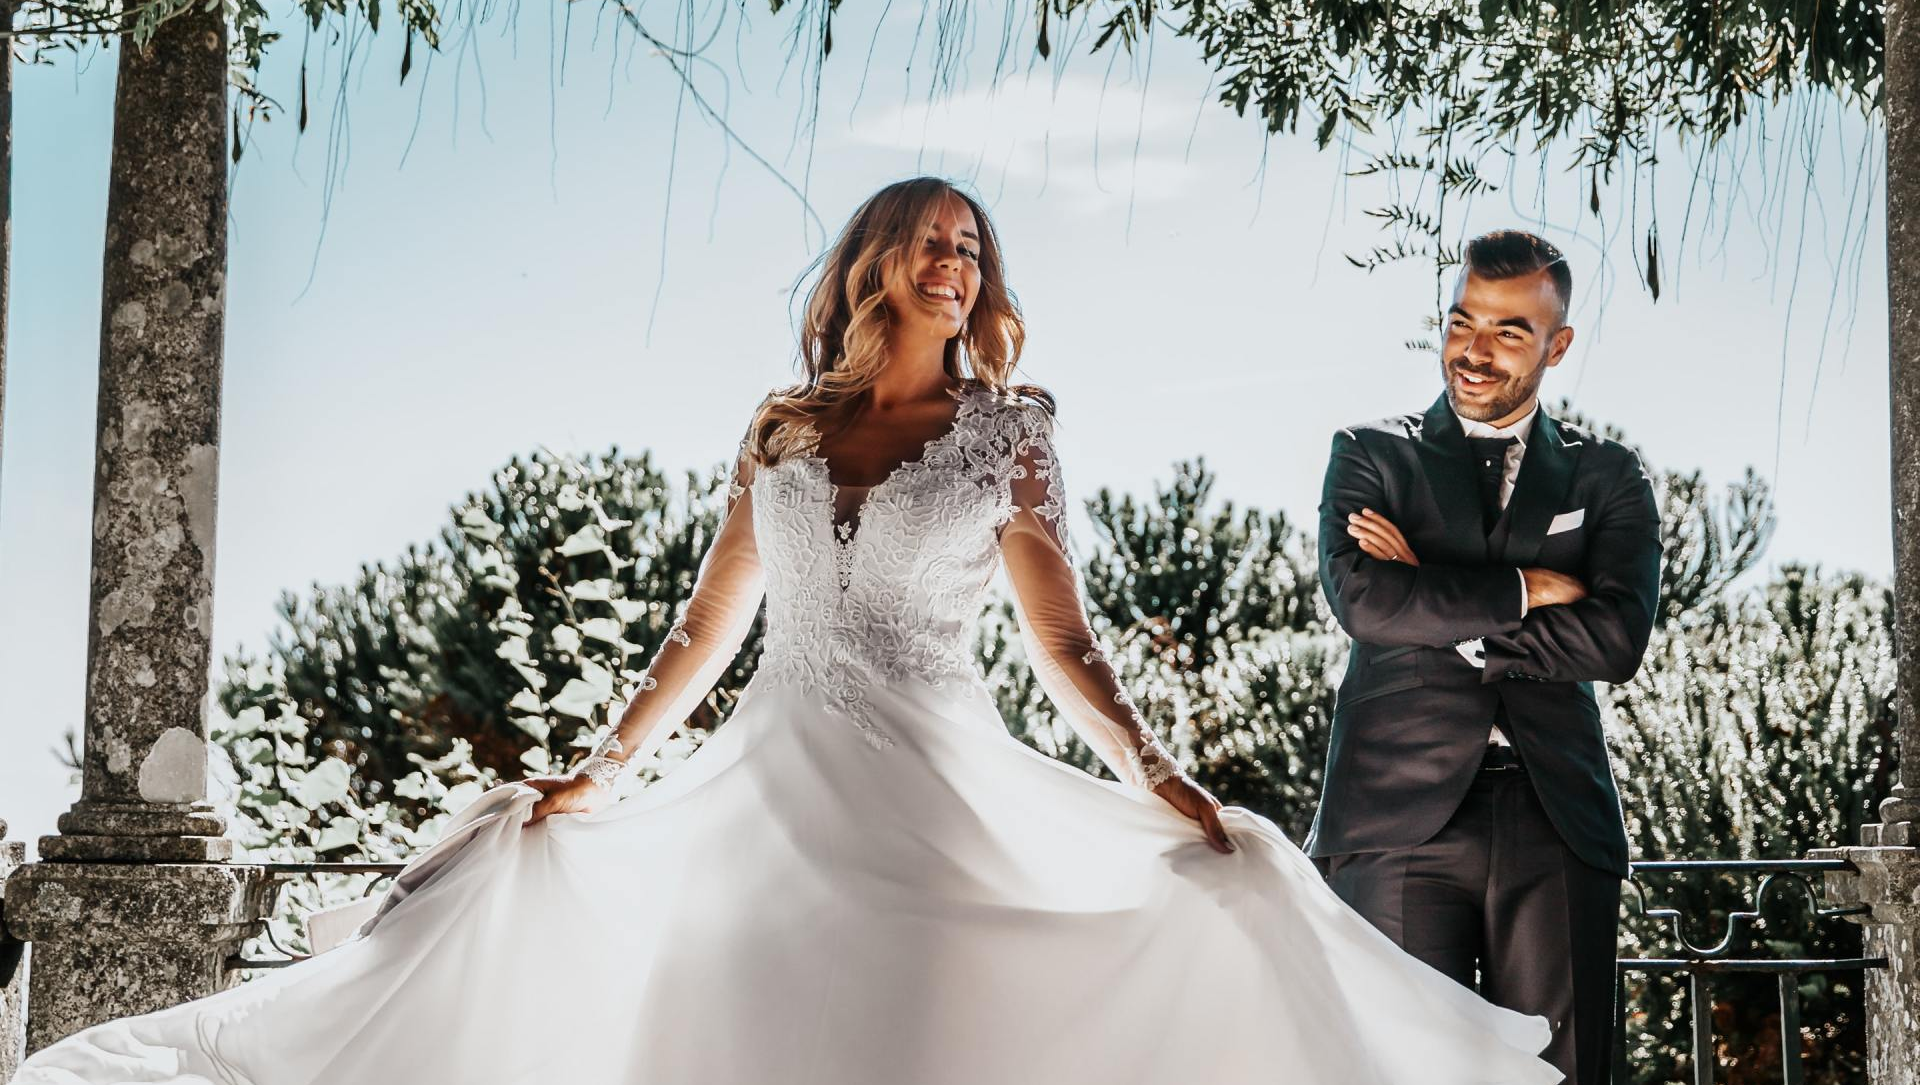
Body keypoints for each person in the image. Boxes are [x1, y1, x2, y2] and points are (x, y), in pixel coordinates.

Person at [15, 180, 1560, 1085]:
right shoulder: (783, 429)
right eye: (933, 239)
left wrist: (1162, 781)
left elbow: (1063, 640)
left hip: (936, 801)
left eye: (975, 249)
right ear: (875, 262)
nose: (956, 262)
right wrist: (603, 771)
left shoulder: (1012, 431)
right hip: (767, 794)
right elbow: (707, 624)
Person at [1308, 230, 1663, 1085]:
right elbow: (1366, 601)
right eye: (1463, 321)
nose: (1473, 350)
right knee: (1401, 1072)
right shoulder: (1369, 453)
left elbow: (1616, 640)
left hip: (1556, 817)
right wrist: (1527, 588)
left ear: (1557, 345)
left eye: (1508, 331)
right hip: (1391, 819)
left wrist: (1435, 597)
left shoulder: (1609, 475)